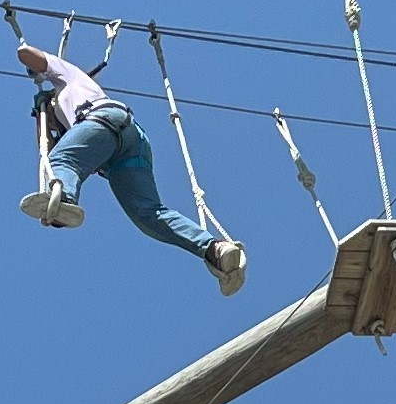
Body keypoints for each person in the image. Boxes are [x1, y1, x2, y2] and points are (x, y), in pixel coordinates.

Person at [15, 37, 246, 298]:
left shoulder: (69, 78)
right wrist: (41, 117)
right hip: (127, 148)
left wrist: (40, 73)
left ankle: (65, 198)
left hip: (102, 120)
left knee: (61, 162)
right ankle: (216, 251)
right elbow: (45, 147)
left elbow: (26, 53)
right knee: (148, 215)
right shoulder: (71, 127)